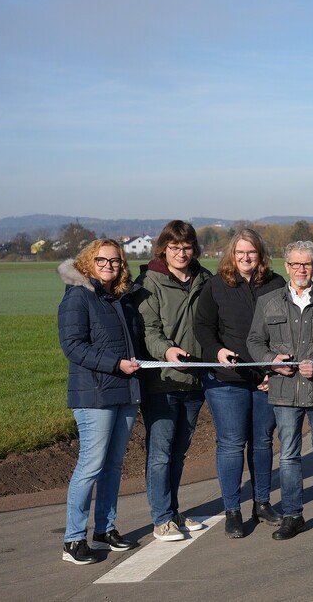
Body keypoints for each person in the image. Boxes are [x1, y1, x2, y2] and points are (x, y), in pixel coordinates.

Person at [248, 241, 313, 539]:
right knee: (289, 455)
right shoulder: (268, 303)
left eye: (307, 264)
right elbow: (255, 342)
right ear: (287, 267)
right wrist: (271, 362)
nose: (301, 269)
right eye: (295, 264)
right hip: (283, 391)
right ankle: (293, 515)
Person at [194, 228, 286, 538]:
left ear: (260, 255)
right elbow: (203, 327)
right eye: (240, 252)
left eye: (252, 252)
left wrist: (273, 371)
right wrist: (216, 351)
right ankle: (232, 510)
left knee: (262, 441)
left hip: (265, 379)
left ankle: (262, 503)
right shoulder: (216, 286)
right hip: (226, 380)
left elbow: (286, 329)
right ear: (232, 255)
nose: (245, 257)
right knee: (232, 443)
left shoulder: (275, 285)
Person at [57, 239, 143, 564]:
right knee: (90, 466)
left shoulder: (119, 299)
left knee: (114, 465)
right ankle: (73, 539)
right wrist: (116, 364)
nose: (109, 265)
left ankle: (104, 529)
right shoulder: (78, 296)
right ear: (88, 262)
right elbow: (73, 346)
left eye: (115, 261)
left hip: (125, 390)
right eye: (102, 260)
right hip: (95, 394)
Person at [136, 220, 212, 542]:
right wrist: (166, 352)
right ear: (164, 248)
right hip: (162, 379)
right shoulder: (149, 281)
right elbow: (149, 330)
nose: (181, 252)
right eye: (174, 247)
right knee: (161, 453)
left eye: (187, 246)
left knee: (179, 452)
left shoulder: (205, 279)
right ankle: (161, 519)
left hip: (195, 381)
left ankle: (174, 511)